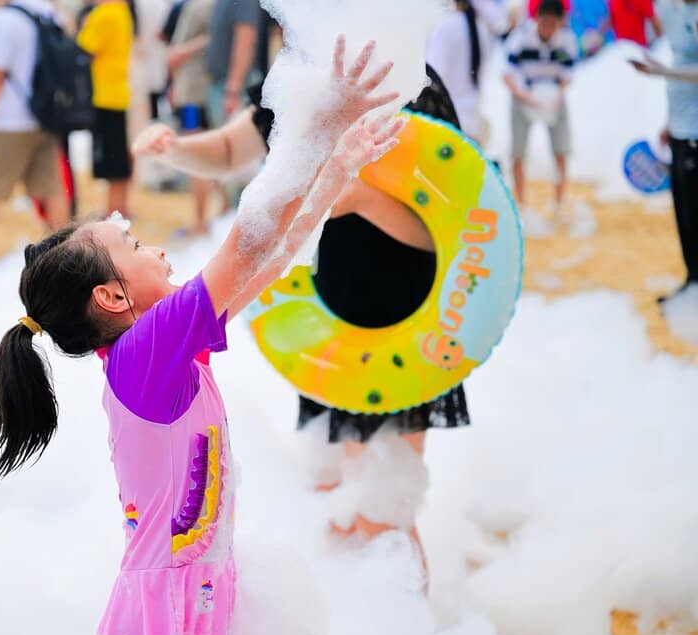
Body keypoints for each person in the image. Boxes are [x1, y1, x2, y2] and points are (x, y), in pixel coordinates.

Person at [0, 38, 400, 635]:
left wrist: (336, 166)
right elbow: (246, 241)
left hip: (199, 586)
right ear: (113, 296)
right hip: (164, 605)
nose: (159, 251)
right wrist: (322, 121)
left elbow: (271, 256)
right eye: (136, 246)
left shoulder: (163, 351)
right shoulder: (144, 354)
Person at [133, 62, 470, 574]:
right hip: (328, 323)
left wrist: (357, 197)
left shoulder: (408, 75)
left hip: (403, 321)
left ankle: (405, 619)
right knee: (332, 500)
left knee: (384, 514)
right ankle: (358, 617)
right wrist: (173, 149)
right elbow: (229, 150)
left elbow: (449, 215)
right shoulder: (298, 73)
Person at [0, 0, 70, 258]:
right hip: (45, 116)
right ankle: (65, 254)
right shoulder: (47, 12)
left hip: (9, 121)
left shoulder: (2, 20)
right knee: (51, 189)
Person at [631, 0, 698, 306]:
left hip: (696, 132)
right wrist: (669, 122)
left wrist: (663, 72)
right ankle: (692, 282)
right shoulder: (675, 9)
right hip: (681, 128)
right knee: (684, 212)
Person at [503, 0, 578, 218]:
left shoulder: (567, 39)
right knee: (518, 152)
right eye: (545, 23)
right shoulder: (520, 37)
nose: (548, 29)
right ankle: (520, 204)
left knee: (561, 150)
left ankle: (559, 202)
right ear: (536, 19)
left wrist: (557, 95)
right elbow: (506, 73)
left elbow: (569, 72)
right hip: (523, 96)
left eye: (553, 24)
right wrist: (524, 95)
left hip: (554, 97)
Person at [78, 0, 135, 217]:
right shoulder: (121, 10)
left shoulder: (104, 14)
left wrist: (83, 26)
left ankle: (113, 209)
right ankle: (119, 206)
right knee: (118, 155)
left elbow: (83, 49)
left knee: (112, 159)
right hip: (117, 92)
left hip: (103, 95)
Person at [167, 0, 215, 235]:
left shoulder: (204, 5)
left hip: (195, 91)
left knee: (197, 155)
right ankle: (206, 218)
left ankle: (200, 221)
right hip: (194, 89)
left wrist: (183, 52)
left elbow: (213, 36)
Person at [427, 0, 491, 142]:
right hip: (472, 118)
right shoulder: (480, 27)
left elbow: (434, 74)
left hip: (447, 119)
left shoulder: (445, 27)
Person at [204, 0, 260, 127]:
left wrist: (233, 91)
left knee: (231, 136)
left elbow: (245, 41)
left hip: (234, 85)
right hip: (223, 84)